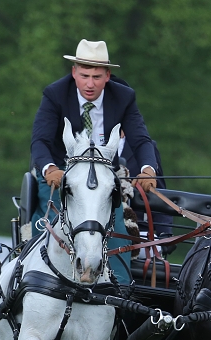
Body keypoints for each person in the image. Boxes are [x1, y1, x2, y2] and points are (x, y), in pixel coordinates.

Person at [30, 39, 162, 283]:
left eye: (97, 76)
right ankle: (30, 275)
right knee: (44, 226)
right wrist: (49, 168)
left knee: (117, 234)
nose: (90, 84)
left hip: (103, 180)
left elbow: (142, 140)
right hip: (59, 177)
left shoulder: (124, 98)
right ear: (74, 73)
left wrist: (147, 169)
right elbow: (40, 141)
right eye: (84, 75)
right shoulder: (54, 94)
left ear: (108, 76)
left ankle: (119, 292)